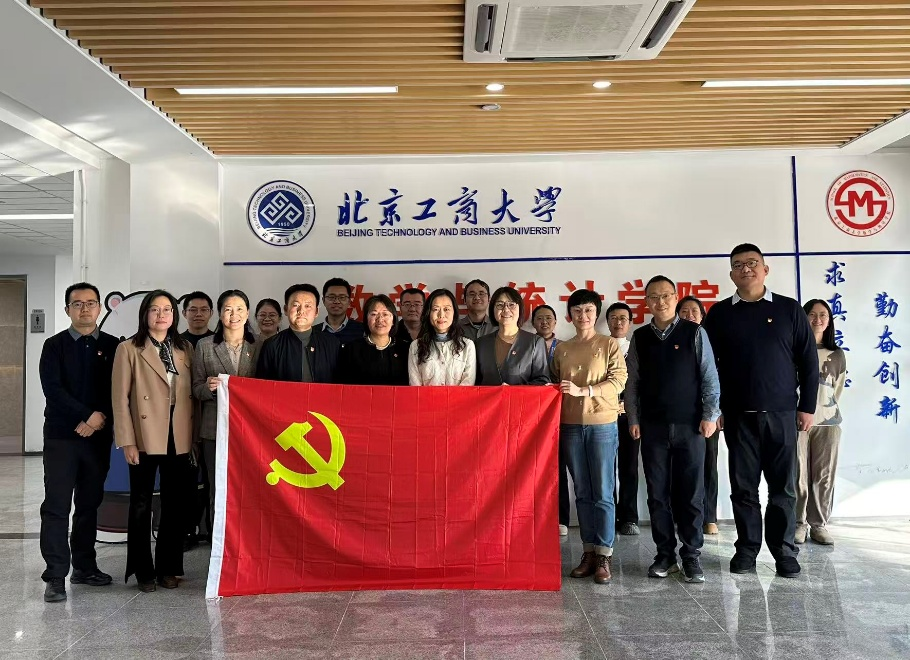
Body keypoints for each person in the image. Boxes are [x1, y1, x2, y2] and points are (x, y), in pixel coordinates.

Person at [702, 243, 818, 578]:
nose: (746, 269)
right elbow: (709, 367)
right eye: (738, 264)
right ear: (731, 274)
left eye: (752, 263)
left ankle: (784, 552)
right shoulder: (720, 314)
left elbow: (809, 361)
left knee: (783, 488)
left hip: (782, 413)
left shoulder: (788, 309)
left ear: (765, 269)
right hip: (738, 415)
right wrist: (715, 409)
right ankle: (747, 550)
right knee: (743, 488)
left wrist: (807, 406)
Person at [625, 276, 720, 584]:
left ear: (676, 297)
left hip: (691, 427)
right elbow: (632, 382)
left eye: (666, 295)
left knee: (691, 494)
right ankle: (664, 554)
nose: (660, 302)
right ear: (647, 302)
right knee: (657, 494)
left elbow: (709, 377)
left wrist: (710, 415)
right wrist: (634, 418)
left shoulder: (695, 332)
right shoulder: (640, 337)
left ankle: (691, 555)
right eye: (654, 297)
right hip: (653, 428)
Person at [37, 282, 120, 603]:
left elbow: (119, 389)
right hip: (61, 437)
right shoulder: (54, 345)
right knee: (56, 506)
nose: (85, 309)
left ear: (99, 307)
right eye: (77, 304)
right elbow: (53, 389)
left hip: (97, 440)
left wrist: (99, 419)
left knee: (89, 504)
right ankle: (55, 575)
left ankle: (84, 567)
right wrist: (86, 416)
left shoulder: (113, 346)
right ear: (67, 309)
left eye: (90, 303)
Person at [112, 290, 195, 592]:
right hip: (145, 435)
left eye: (167, 309)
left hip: (179, 433)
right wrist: (127, 441)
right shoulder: (128, 348)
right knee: (141, 503)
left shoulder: (184, 348)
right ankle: (143, 571)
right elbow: (120, 398)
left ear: (174, 315)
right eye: (155, 309)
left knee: (174, 504)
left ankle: (168, 568)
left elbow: (191, 397)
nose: (161, 315)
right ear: (145, 314)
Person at [551, 289, 627, 584]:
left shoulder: (608, 344)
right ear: (569, 316)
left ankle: (604, 553)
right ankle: (588, 551)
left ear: (596, 314)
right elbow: (553, 385)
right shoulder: (562, 348)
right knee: (582, 491)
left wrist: (586, 391)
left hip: (602, 425)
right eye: (577, 311)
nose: (583, 316)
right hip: (570, 425)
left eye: (588, 310)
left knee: (603, 492)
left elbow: (619, 380)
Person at [192, 290, 261, 540]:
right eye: (228, 309)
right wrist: (208, 389)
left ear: (247, 313)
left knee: (251, 487)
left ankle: (247, 539)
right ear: (220, 314)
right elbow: (195, 388)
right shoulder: (205, 345)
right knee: (218, 486)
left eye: (239, 309)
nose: (234, 314)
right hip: (215, 429)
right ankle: (219, 542)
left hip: (252, 430)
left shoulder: (260, 345)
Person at [797, 299, 847, 546]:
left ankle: (818, 524)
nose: (818, 319)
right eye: (812, 314)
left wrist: (823, 410)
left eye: (823, 315)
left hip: (828, 422)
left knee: (824, 475)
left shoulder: (837, 354)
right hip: (796, 421)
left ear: (829, 320)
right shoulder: (792, 349)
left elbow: (837, 389)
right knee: (797, 474)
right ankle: (798, 523)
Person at [677, 295, 721, 536]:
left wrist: (715, 413)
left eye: (694, 311)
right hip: (681, 415)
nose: (689, 315)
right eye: (684, 311)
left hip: (707, 414)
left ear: (702, 316)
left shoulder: (709, 339)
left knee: (709, 464)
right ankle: (683, 516)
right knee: (682, 468)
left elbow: (716, 379)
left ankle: (709, 516)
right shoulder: (671, 340)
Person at [532, 304, 570, 537]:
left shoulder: (565, 347)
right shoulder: (527, 344)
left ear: (555, 322)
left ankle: (562, 517)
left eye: (549, 318)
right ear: (532, 323)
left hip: (560, 413)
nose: (544, 322)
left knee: (558, 466)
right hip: (532, 415)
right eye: (539, 318)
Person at [256, 284, 340, 383]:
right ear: (286, 309)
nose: (301, 311)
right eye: (296, 305)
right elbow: (263, 386)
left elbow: (341, 385)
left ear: (316, 312)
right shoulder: (272, 345)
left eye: (307, 306)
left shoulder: (332, 343)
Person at [606, 302, 640, 537]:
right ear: (607, 321)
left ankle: (629, 517)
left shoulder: (636, 348)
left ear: (630, 322)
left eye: (623, 318)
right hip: (605, 415)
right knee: (606, 468)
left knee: (629, 467)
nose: (618, 322)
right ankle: (608, 516)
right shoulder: (601, 346)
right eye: (614, 318)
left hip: (631, 417)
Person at [475, 286, 549, 386]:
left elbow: (543, 381)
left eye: (511, 305)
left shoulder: (535, 342)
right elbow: (475, 384)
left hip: (522, 397)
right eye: (500, 305)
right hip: (488, 397)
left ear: (520, 309)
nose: (506, 309)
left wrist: (513, 391)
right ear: (492, 309)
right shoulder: (481, 344)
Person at [408, 288, 476, 386]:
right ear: (428, 313)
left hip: (459, 397)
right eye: (435, 309)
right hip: (426, 397)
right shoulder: (416, 346)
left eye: (446, 309)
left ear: (454, 313)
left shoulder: (467, 346)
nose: (441, 315)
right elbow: (415, 387)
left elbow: (468, 383)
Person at [338, 294, 409, 385]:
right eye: (374, 314)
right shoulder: (351, 349)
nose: (380, 319)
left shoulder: (405, 349)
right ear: (366, 319)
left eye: (385, 314)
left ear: (393, 320)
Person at [314, 277, 365, 344]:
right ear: (323, 301)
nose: (337, 301)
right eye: (331, 297)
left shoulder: (362, 330)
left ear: (349, 302)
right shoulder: (313, 332)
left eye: (342, 297)